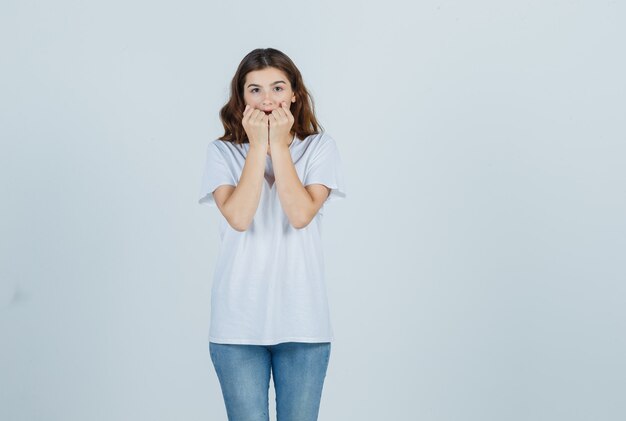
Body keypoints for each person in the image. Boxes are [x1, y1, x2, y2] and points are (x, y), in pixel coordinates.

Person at [198, 47, 347, 421]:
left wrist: (278, 146)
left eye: (278, 88)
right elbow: (239, 216)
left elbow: (300, 214)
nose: (268, 100)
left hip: (303, 324)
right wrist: (258, 146)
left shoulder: (319, 148)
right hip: (236, 327)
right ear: (241, 98)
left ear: (295, 93)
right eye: (255, 90)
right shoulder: (222, 153)